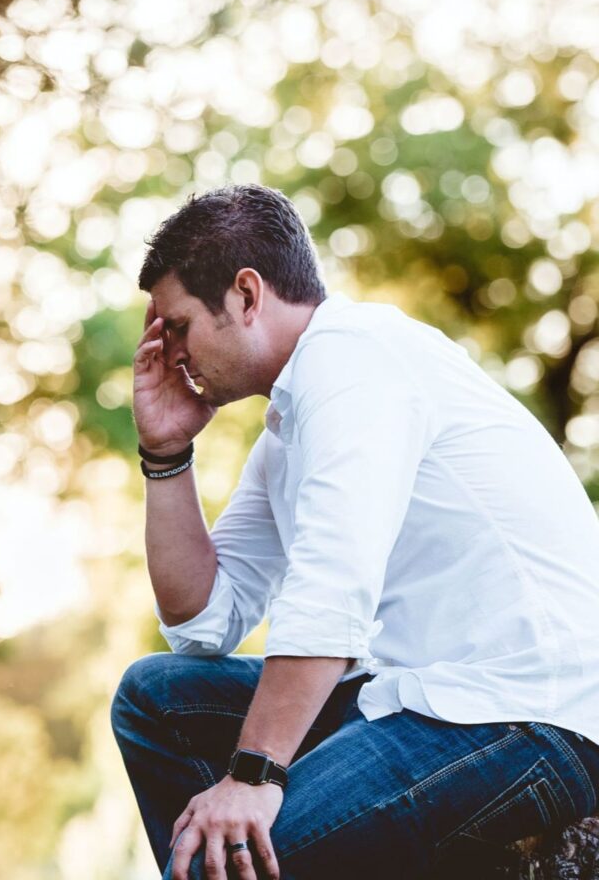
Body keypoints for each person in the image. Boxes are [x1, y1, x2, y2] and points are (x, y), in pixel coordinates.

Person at [110, 184, 599, 880]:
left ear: (247, 296)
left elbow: (332, 589)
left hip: (524, 718)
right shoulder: (290, 425)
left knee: (212, 867)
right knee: (158, 698)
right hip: (417, 698)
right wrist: (165, 456)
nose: (171, 354)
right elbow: (203, 624)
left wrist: (252, 778)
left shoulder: (356, 361)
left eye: (179, 326)